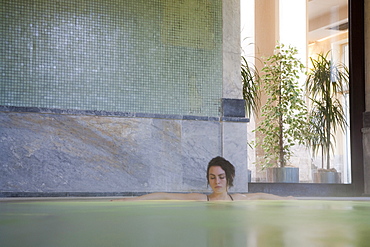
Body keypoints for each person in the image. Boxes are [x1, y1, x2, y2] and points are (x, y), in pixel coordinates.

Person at [112, 156, 291, 201]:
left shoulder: (237, 199)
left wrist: (286, 199)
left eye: (221, 177)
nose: (217, 182)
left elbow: (260, 196)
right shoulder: (202, 199)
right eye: (212, 177)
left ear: (229, 178)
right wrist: (133, 199)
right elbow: (166, 196)